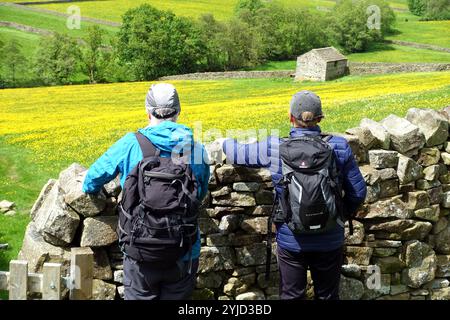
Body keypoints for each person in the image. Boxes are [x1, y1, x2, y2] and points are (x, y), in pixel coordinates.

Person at [220, 90, 367, 300]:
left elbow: (237, 152)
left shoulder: (274, 147)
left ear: (290, 118)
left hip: (292, 240)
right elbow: (358, 192)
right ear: (320, 118)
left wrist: (224, 141)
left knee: (291, 295)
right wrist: (338, 215)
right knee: (327, 296)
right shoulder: (339, 146)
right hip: (330, 238)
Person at [82, 83, 210, 300]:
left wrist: (90, 188)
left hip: (139, 251)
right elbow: (200, 192)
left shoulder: (131, 144)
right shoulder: (195, 149)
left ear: (148, 111)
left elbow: (91, 180)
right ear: (178, 111)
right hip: (183, 251)